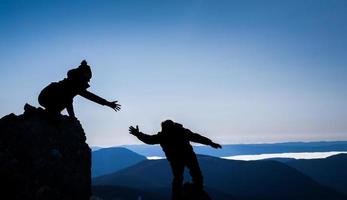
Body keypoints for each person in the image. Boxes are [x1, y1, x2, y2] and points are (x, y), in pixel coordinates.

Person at [129, 120, 222, 200]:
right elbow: (197, 137)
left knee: (179, 177)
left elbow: (149, 140)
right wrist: (210, 143)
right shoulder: (181, 132)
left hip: (176, 159)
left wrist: (137, 134)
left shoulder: (164, 136)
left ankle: (179, 196)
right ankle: (197, 190)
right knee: (195, 173)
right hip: (187, 156)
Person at [38, 60, 121, 118]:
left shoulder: (74, 83)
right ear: (82, 76)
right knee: (62, 105)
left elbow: (91, 97)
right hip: (46, 98)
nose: (88, 81)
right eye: (87, 78)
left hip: (46, 98)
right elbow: (68, 101)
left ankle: (51, 113)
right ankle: (51, 114)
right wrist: (72, 117)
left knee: (60, 106)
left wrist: (108, 104)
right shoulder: (73, 85)